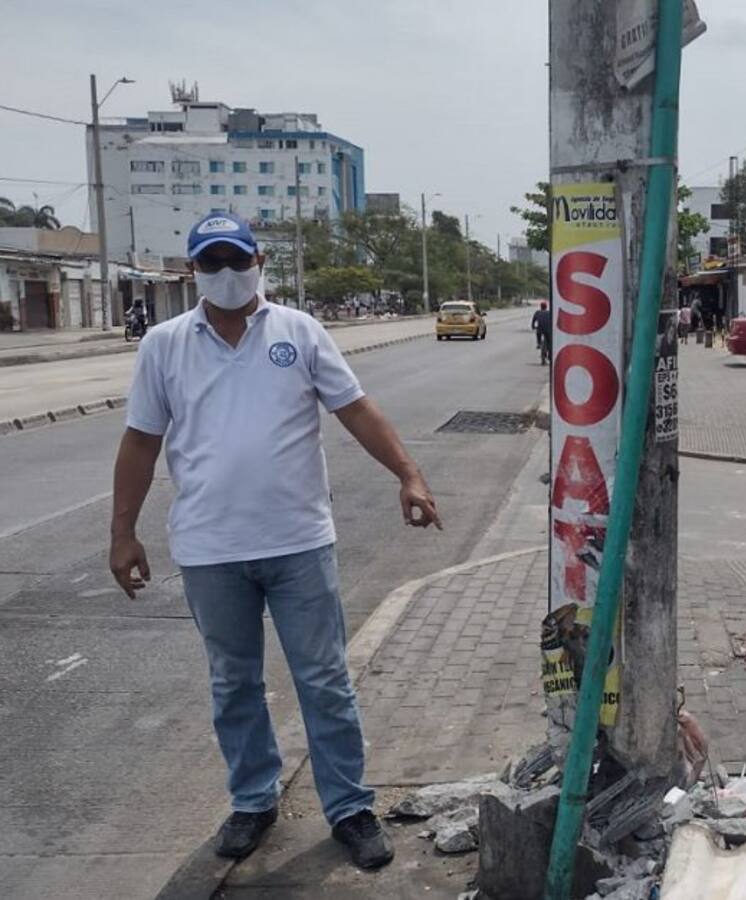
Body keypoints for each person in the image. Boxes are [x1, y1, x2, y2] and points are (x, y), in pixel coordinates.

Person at [108, 212, 441, 871]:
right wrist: (123, 532)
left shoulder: (299, 331)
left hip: (297, 543)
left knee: (324, 680)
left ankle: (348, 806)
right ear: (193, 270)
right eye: (212, 263)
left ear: (259, 262)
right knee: (234, 683)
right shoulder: (164, 346)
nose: (227, 274)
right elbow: (141, 441)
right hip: (210, 550)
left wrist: (409, 474)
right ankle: (253, 801)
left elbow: (355, 409)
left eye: (238, 260)